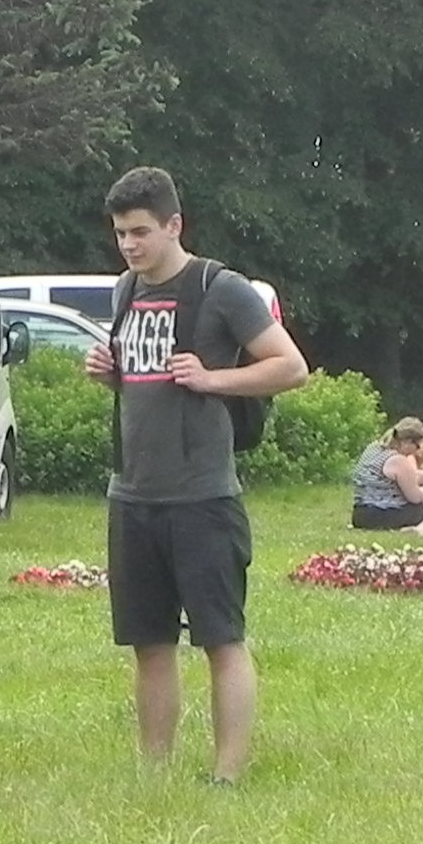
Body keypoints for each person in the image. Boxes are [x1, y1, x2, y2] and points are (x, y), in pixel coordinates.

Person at [80, 165, 306, 786]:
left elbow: (291, 367)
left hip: (203, 496)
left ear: (174, 224)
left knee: (221, 640)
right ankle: (154, 771)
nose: (129, 245)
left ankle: (226, 775)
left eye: (140, 232)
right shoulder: (126, 290)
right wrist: (111, 371)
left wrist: (214, 379)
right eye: (120, 233)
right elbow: (145, 377)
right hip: (133, 494)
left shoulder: (220, 288)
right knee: (149, 643)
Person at [348, 418, 423, 531]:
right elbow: (414, 497)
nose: (416, 451)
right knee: (422, 509)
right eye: (417, 446)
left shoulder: (373, 448)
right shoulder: (397, 460)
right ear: (407, 442)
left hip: (360, 514)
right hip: (382, 513)